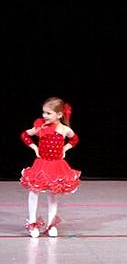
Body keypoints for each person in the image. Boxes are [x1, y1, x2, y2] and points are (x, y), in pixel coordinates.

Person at [20, 97, 81, 238]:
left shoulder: (65, 129)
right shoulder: (41, 127)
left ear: (59, 115)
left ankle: (51, 225)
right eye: (43, 112)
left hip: (56, 165)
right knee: (34, 190)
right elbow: (25, 135)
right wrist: (34, 147)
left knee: (53, 193)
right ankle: (32, 223)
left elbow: (75, 139)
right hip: (41, 164)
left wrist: (65, 148)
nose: (44, 116)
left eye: (48, 113)